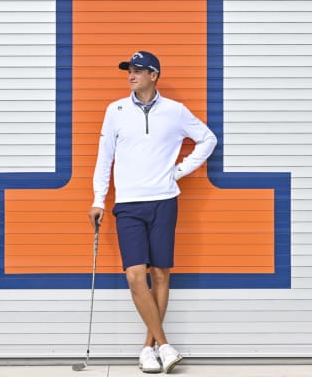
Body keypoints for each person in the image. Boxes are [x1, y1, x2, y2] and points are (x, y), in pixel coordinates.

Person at [88, 50, 217, 374]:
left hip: (164, 200)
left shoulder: (175, 112)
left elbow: (207, 139)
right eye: (129, 70)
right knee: (135, 276)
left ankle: (148, 349)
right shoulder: (115, 111)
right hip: (129, 204)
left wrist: (178, 171)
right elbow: (105, 159)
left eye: (138, 70)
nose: (131, 75)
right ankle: (165, 344)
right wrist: (99, 200)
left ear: (153, 75)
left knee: (160, 274)